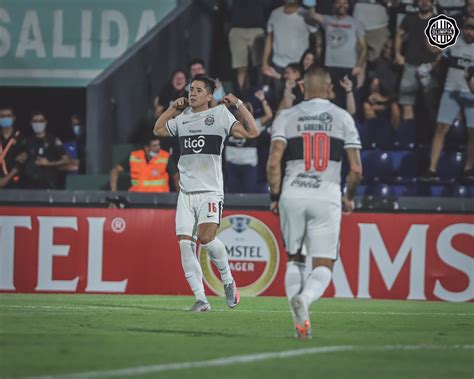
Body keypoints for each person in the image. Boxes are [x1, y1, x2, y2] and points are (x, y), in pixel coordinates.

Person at [266, 65, 362, 339]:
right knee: (323, 265)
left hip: (293, 194)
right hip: (326, 195)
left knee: (294, 260)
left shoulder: (286, 116)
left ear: (302, 86)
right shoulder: (342, 117)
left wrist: (275, 196)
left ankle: (300, 324)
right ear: (329, 87)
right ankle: (305, 300)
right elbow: (356, 169)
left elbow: (273, 162)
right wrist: (349, 197)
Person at [153, 75, 259, 312]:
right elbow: (158, 129)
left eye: (199, 90)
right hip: (186, 193)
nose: (192, 93)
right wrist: (172, 108)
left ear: (209, 96)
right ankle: (201, 299)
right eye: (191, 90)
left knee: (206, 238)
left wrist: (239, 105)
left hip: (210, 191)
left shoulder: (220, 115)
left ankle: (228, 280)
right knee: (184, 244)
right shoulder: (182, 119)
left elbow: (252, 133)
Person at [421, 17, 474, 182]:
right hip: (450, 91)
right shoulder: (453, 43)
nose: (469, 32)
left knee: (473, 133)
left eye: (473, 28)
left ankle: (468, 170)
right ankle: (431, 169)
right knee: (440, 129)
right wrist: (429, 68)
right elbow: (437, 55)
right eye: (467, 28)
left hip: (471, 95)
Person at [309, 0, 368, 108]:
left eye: (345, 3)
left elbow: (363, 48)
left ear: (348, 5)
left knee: (349, 101)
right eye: (339, 2)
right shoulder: (327, 20)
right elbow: (312, 14)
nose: (342, 5)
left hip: (348, 67)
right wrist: (309, 2)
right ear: (334, 5)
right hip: (330, 67)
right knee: (330, 100)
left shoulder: (355, 23)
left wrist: (359, 66)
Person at [262, 0, 318, 99]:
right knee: (279, 99)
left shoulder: (305, 14)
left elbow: (318, 36)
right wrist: (264, 62)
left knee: (299, 99)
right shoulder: (275, 13)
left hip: (299, 66)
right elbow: (269, 38)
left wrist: (315, 61)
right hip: (278, 65)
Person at [394, 0, 440, 121]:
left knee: (431, 105)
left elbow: (444, 47)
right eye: (421, 0)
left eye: (428, 0)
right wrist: (398, 54)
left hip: (430, 68)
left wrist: (434, 51)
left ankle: (430, 137)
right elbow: (399, 34)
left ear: (432, 3)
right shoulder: (409, 18)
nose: (424, 2)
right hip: (410, 65)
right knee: (407, 104)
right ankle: (407, 138)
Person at [225, 90, 273, 193]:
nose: (242, 112)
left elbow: (269, 115)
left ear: (250, 112)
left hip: (248, 166)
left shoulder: (255, 124)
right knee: (232, 198)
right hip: (231, 166)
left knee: (249, 196)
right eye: (240, 109)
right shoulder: (228, 122)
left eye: (245, 110)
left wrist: (263, 99)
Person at [109, 134, 179, 192]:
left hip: (159, 199)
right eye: (154, 146)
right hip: (136, 198)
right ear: (146, 148)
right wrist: (114, 192)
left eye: (158, 145)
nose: (158, 148)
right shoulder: (135, 156)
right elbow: (115, 170)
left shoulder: (165, 157)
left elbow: (176, 176)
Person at [23, 111, 70, 189]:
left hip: (49, 184)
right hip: (30, 186)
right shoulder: (27, 142)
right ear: (31, 123)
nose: (38, 123)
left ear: (45, 122)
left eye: (41, 121)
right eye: (35, 121)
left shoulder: (53, 140)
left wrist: (48, 163)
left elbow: (66, 160)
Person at [0, 106, 27, 188]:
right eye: (2, 116)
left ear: (14, 118)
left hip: (15, 184)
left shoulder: (21, 138)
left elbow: (20, 163)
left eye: (8, 116)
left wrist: (5, 180)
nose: (5, 118)